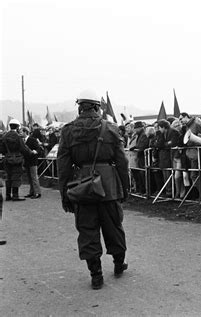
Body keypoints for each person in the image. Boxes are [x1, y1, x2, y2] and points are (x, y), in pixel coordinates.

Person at [57, 89, 129, 290]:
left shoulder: (68, 130)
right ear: (98, 107)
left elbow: (63, 166)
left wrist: (64, 195)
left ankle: (96, 274)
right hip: (108, 185)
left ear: (80, 107)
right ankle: (118, 263)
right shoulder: (111, 128)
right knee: (114, 225)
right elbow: (122, 162)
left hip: (82, 186)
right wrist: (125, 187)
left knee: (87, 229)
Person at [0, 119, 34, 201]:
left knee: (8, 177)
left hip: (7, 159)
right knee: (16, 177)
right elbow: (24, 149)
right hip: (18, 159)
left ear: (10, 126)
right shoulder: (18, 137)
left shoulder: (4, 136)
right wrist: (31, 153)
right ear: (18, 127)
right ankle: (15, 195)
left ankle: (8, 196)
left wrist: (7, 153)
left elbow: (1, 149)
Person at [23, 127, 42, 199]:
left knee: (34, 177)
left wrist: (35, 151)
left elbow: (38, 148)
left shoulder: (32, 140)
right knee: (30, 178)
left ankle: (37, 193)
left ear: (26, 132)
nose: (20, 133)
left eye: (22, 131)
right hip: (27, 162)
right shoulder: (23, 140)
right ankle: (32, 192)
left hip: (33, 161)